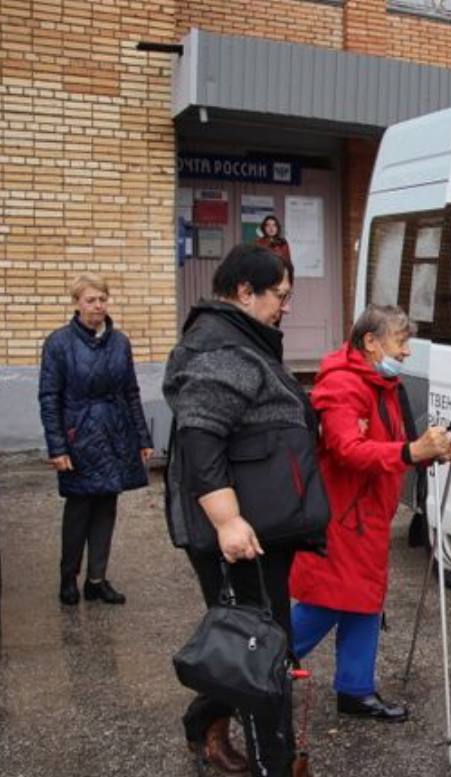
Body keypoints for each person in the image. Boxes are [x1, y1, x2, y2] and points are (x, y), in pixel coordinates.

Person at [164, 243, 322, 777]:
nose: (286, 306)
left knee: (256, 642)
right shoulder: (221, 348)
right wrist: (229, 520)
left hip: (260, 531)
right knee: (261, 652)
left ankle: (207, 721)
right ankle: (272, 765)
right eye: (280, 295)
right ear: (243, 292)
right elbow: (200, 437)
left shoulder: (242, 340)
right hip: (241, 536)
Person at [288, 305, 451, 721]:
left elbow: (400, 447)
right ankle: (254, 668)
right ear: (370, 341)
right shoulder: (343, 387)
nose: (406, 352)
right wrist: (412, 451)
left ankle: (355, 690)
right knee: (328, 600)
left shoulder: (384, 385)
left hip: (367, 516)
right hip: (342, 516)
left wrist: (434, 451)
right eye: (400, 342)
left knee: (364, 600)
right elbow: (347, 449)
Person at [38, 273, 153, 606]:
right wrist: (57, 446)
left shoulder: (120, 342)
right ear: (77, 303)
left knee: (106, 508)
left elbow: (131, 392)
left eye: (102, 299)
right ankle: (68, 578)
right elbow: (49, 397)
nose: (98, 305)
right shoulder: (59, 343)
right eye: (91, 300)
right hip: (79, 436)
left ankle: (96, 580)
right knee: (79, 509)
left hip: (115, 434)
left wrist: (142, 437)